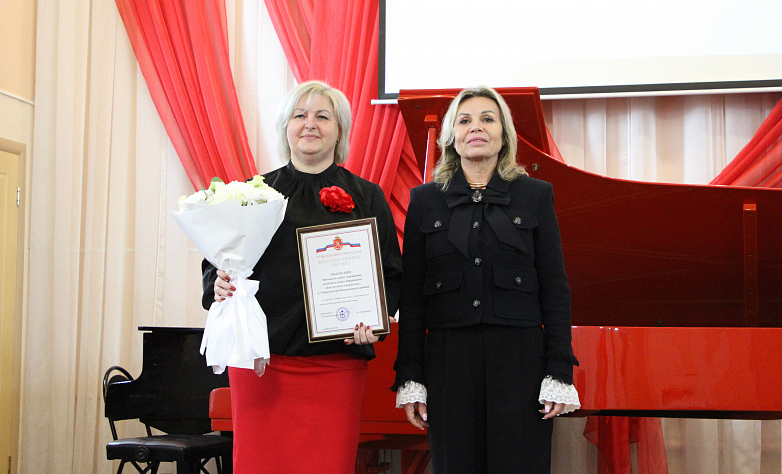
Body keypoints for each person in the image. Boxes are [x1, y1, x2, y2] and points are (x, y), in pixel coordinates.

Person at [202, 80, 401, 474]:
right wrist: (217, 283)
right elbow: (217, 261)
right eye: (300, 115)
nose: (310, 123)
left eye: (322, 116)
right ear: (286, 128)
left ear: (339, 130)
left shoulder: (367, 195)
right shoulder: (254, 193)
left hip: (336, 367)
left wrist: (374, 322)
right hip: (261, 364)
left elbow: (391, 275)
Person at [392, 86, 580, 474]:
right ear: (451, 136)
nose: (475, 127)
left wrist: (559, 369)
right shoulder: (424, 200)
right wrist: (410, 375)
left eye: (487, 119)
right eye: (464, 120)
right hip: (448, 361)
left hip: (521, 360)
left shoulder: (536, 196)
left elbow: (555, 289)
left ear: (504, 134)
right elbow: (411, 298)